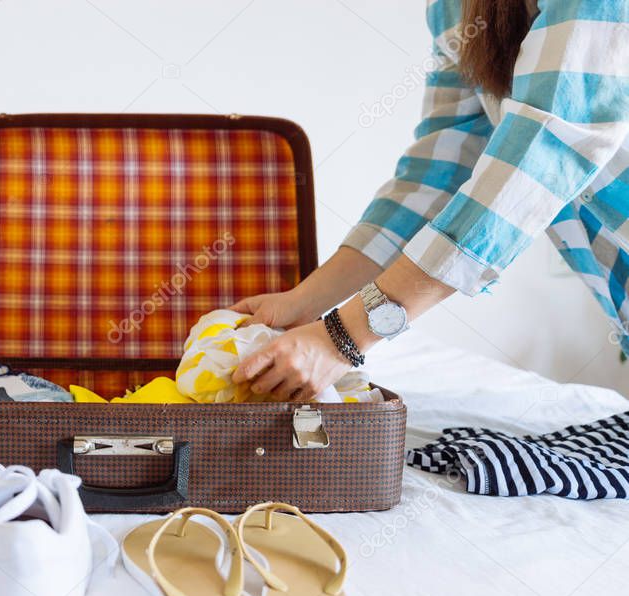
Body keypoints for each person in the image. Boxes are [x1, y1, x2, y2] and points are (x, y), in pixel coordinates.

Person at [231, 0, 629, 401]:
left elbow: (543, 149)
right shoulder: (452, 9)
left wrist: (341, 335)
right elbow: (439, 172)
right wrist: (305, 301)